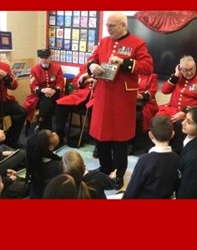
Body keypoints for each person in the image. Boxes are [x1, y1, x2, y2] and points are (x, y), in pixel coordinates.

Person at [87, 12, 153, 189]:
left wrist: (124, 63)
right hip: (103, 96)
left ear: (123, 26)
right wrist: (91, 65)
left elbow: (147, 67)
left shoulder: (137, 44)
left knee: (119, 139)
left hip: (122, 99)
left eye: (112, 26)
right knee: (102, 136)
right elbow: (92, 58)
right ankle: (105, 167)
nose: (108, 29)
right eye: (107, 25)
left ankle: (119, 173)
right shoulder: (104, 42)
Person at [157, 55, 197, 152]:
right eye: (185, 70)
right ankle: (160, 149)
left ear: (195, 67)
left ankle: (177, 151)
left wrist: (184, 113)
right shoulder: (178, 77)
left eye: (191, 69)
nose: (189, 72)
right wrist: (176, 75)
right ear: (180, 68)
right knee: (159, 121)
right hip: (171, 109)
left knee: (179, 124)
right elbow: (164, 90)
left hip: (190, 113)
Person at [123, 115, 179, 199]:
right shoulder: (177, 158)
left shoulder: (144, 160)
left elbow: (133, 188)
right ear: (172, 134)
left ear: (150, 135)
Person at [55, 65, 97, 146]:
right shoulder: (85, 68)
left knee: (98, 109)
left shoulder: (104, 68)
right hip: (80, 98)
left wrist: (96, 80)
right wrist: (85, 79)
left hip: (95, 98)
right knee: (60, 104)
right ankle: (60, 136)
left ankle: (96, 141)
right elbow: (74, 84)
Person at [24, 49, 64, 132]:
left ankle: (41, 122)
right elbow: (33, 85)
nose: (44, 60)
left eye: (46, 57)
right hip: (40, 96)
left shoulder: (57, 68)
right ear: (38, 58)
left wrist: (54, 90)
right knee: (47, 101)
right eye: (41, 58)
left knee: (48, 101)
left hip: (55, 94)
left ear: (50, 58)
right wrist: (43, 90)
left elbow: (60, 83)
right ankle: (47, 130)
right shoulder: (34, 69)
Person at [25, 129, 63, 198]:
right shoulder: (58, 166)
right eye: (52, 134)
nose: (54, 133)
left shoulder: (33, 162)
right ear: (50, 147)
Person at [128, 73, 159, 155]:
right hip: (127, 101)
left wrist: (140, 96)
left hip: (144, 104)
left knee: (135, 117)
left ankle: (131, 144)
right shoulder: (129, 73)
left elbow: (152, 91)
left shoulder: (152, 76)